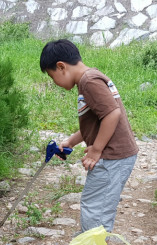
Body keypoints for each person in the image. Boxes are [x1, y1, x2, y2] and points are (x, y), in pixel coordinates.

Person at [40, 39, 138, 234]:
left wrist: (96, 150)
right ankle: (92, 243)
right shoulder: (90, 78)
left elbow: (112, 114)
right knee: (94, 204)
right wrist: (71, 141)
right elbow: (98, 121)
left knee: (96, 208)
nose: (55, 83)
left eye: (52, 77)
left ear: (61, 67)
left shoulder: (89, 81)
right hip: (115, 155)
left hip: (112, 156)